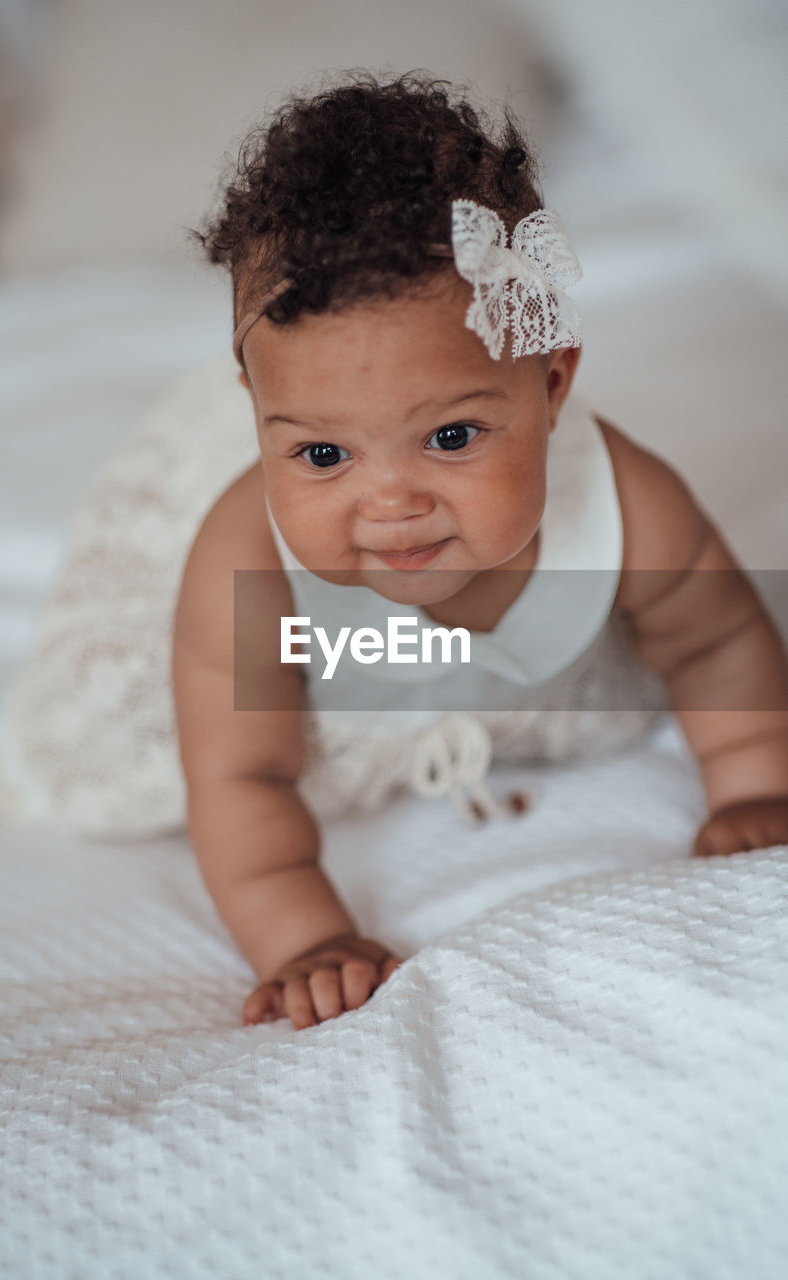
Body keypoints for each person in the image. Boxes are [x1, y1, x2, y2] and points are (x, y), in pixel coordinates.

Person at [173, 72, 788, 1032]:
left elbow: (715, 644)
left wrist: (757, 780)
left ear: (548, 387)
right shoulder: (244, 563)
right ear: (256, 417)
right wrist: (302, 938)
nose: (392, 503)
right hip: (347, 706)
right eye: (323, 454)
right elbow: (237, 777)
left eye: (452, 436)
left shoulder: (629, 505)